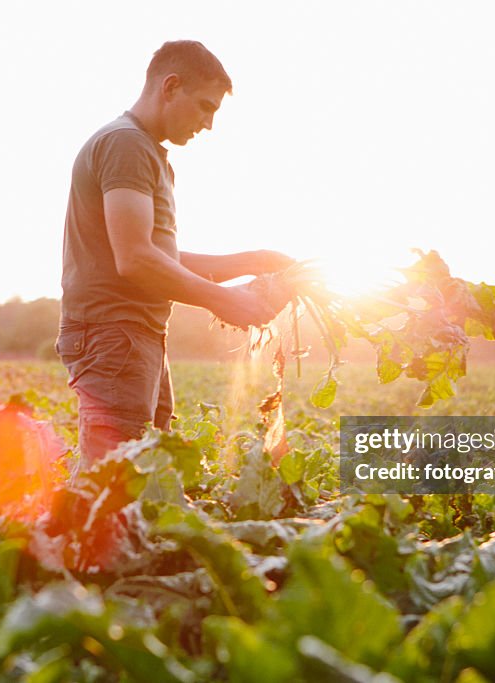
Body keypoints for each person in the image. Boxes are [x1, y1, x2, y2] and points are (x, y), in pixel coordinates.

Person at [57, 40, 293, 464]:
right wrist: (226, 301)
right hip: (116, 335)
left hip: (135, 336)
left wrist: (251, 261)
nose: (208, 124)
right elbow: (135, 260)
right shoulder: (125, 144)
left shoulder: (148, 153)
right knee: (112, 488)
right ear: (170, 86)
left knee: (143, 480)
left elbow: (157, 255)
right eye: (205, 107)